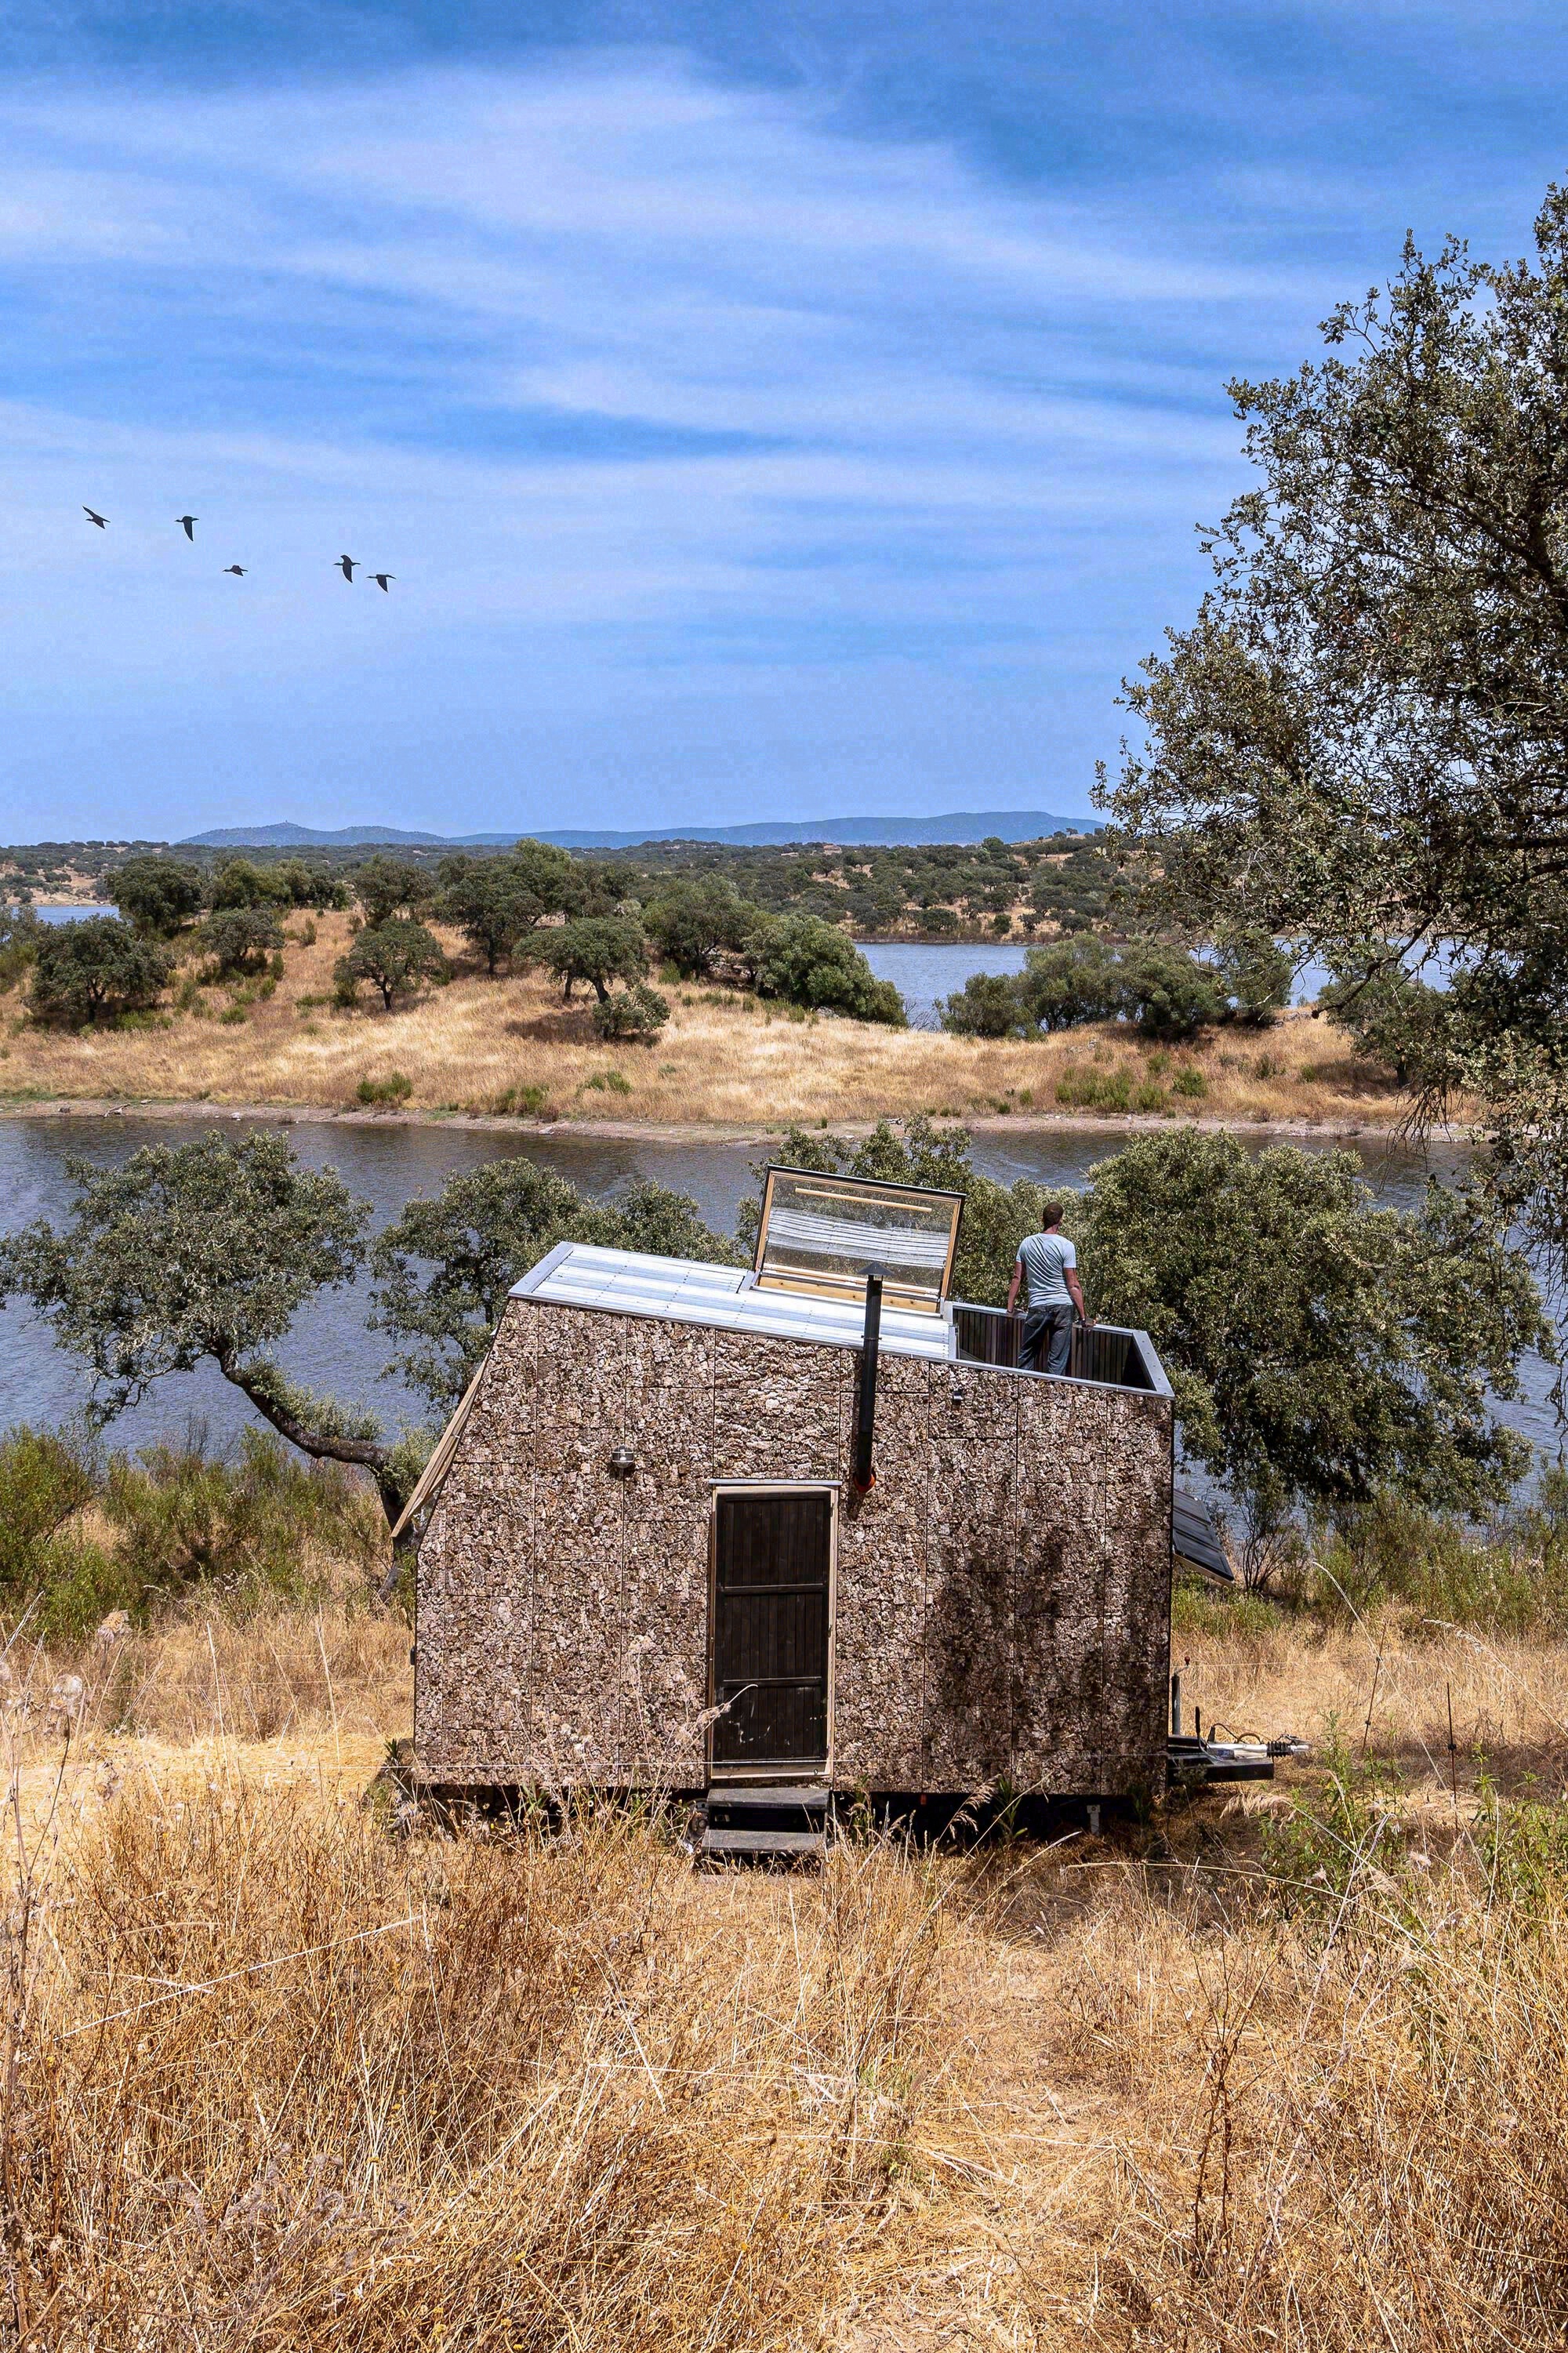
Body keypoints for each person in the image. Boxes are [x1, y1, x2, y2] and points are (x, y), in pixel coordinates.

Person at [1006, 1204, 1092, 1375]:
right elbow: (1073, 1285)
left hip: (1037, 1306)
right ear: (1061, 1221)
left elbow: (1017, 1277)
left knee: (1027, 1357)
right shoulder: (1066, 1246)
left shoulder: (1027, 1243)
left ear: (1042, 1219)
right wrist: (1083, 1317)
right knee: (1057, 1361)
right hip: (1062, 1308)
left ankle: (1023, 1394)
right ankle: (1053, 1397)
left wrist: (1010, 1309)